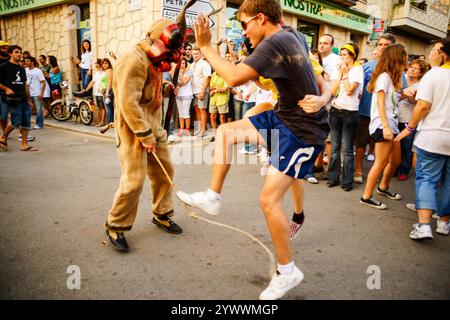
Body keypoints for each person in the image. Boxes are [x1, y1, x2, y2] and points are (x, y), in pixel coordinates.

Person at [177, 0, 329, 300]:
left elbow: (233, 77)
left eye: (245, 24)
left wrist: (206, 47)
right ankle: (213, 197)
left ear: (261, 18)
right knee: (225, 131)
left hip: (303, 132)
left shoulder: (275, 41)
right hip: (284, 117)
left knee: (268, 200)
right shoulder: (294, 35)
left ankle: (288, 271)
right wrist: (323, 98)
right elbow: (322, 81)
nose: (243, 32)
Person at [103, 1, 203, 250]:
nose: (171, 58)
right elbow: (128, 103)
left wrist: (165, 87)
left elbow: (148, 90)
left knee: (165, 173)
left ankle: (162, 213)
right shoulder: (133, 59)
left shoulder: (154, 59)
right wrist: (144, 134)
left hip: (154, 127)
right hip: (132, 129)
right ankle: (116, 225)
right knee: (134, 180)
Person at [395, 39, 450, 239]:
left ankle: (424, 225)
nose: (431, 54)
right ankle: (444, 222)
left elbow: (423, 105)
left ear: (443, 55)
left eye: (435, 50)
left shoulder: (434, 74)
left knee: (427, 178)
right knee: (449, 182)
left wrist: (410, 128)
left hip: (433, 135)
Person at [360, 44, 408, 210]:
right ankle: (366, 196)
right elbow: (380, 102)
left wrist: (403, 95)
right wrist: (386, 127)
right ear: (396, 58)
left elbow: (390, 102)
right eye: (404, 56)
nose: (406, 59)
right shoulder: (384, 78)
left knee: (395, 160)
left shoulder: (393, 79)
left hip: (391, 124)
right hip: (383, 124)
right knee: (380, 162)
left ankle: (383, 187)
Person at [354, 33, 396, 184]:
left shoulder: (396, 70)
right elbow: (357, 87)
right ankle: (358, 170)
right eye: (380, 44)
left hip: (383, 116)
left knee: (378, 144)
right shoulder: (366, 66)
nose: (382, 48)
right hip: (365, 110)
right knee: (360, 140)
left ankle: (376, 172)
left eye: (386, 45)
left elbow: (400, 90)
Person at [327, 43, 364, 192]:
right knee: (335, 147)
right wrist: (341, 74)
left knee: (347, 149)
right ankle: (332, 178)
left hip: (350, 113)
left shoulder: (358, 69)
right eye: (341, 54)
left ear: (353, 55)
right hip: (335, 110)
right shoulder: (339, 69)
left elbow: (349, 91)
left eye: (345, 54)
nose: (342, 57)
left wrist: (346, 74)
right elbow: (333, 91)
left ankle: (347, 182)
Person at [0, 45, 37, 151]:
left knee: (26, 121)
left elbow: (25, 84)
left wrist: (29, 100)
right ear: (10, 54)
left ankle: (24, 144)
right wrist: (6, 89)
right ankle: (3, 136)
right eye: (16, 52)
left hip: (23, 98)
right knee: (16, 122)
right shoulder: (4, 66)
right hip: (12, 99)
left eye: (20, 52)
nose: (19, 54)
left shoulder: (22, 68)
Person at [397, 59, 428, 181]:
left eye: (416, 68)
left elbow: (414, 101)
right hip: (395, 117)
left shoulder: (421, 85)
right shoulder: (401, 78)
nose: (412, 69)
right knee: (395, 146)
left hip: (408, 119)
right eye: (411, 67)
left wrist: (406, 95)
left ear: (421, 73)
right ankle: (393, 168)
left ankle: (404, 170)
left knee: (406, 147)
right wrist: (403, 93)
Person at [191, 47, 211, 136]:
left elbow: (208, 78)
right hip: (193, 91)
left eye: (197, 54)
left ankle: (203, 130)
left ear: (200, 54)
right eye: (194, 54)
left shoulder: (205, 64)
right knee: (197, 110)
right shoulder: (191, 65)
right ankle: (198, 129)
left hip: (201, 90)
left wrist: (203, 91)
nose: (195, 55)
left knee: (202, 109)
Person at [24, 56, 47, 129]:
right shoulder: (25, 70)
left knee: (39, 109)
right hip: (28, 93)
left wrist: (41, 93)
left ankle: (39, 125)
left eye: (27, 61)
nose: (26, 62)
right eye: (25, 61)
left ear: (32, 62)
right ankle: (27, 125)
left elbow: (43, 83)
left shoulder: (38, 71)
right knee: (27, 110)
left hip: (37, 93)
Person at [82, 59, 106, 126]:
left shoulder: (104, 73)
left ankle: (102, 122)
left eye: (96, 63)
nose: (95, 64)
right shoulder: (97, 73)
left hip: (102, 93)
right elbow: (92, 82)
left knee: (102, 108)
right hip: (96, 93)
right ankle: (100, 121)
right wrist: (86, 89)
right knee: (99, 108)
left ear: (99, 64)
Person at [174, 58, 193, 136]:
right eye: (180, 63)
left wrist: (180, 75)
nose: (182, 64)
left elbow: (185, 81)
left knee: (186, 113)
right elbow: (176, 83)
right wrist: (179, 84)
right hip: (179, 94)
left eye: (183, 63)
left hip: (187, 94)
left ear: (185, 64)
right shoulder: (177, 72)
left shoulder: (189, 72)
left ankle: (187, 130)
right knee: (180, 114)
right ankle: (182, 130)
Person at [99, 58, 114, 125]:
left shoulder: (109, 70)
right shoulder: (105, 71)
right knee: (108, 107)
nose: (104, 65)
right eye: (103, 63)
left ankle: (110, 123)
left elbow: (110, 81)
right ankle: (111, 122)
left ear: (109, 64)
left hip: (108, 90)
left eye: (106, 63)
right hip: (104, 90)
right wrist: (100, 88)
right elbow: (104, 82)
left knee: (108, 108)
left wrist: (107, 92)